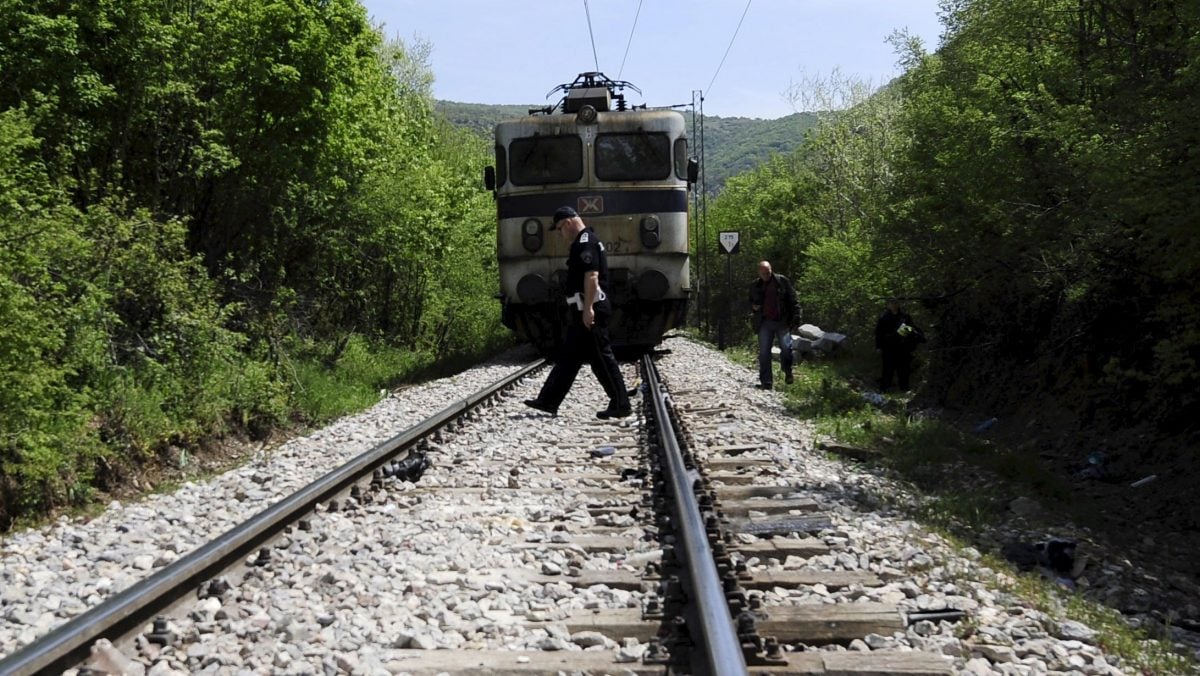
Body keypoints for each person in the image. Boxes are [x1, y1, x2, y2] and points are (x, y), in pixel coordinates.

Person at [525, 206, 632, 419]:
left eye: (558, 229)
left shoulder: (586, 242)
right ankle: (548, 401)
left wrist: (589, 309)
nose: (560, 234)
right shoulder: (584, 241)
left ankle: (621, 403)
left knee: (601, 358)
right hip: (582, 308)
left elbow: (591, 276)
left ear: (567, 223)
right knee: (569, 357)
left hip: (588, 307)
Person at [748, 260, 801, 390]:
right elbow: (748, 301)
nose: (766, 275)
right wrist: (753, 307)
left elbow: (793, 300)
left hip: (782, 321)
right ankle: (766, 382)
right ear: (759, 273)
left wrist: (796, 317)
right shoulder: (755, 285)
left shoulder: (782, 281)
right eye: (763, 274)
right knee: (764, 353)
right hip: (764, 322)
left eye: (768, 273)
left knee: (786, 349)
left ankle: (787, 371)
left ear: (771, 270)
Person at [874, 297, 925, 391]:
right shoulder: (883, 318)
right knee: (888, 368)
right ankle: (885, 388)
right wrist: (879, 346)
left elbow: (911, 328)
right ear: (888, 305)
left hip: (903, 346)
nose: (893, 305)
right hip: (888, 347)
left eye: (895, 303)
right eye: (891, 303)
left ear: (898, 304)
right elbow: (879, 333)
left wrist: (904, 334)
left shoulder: (905, 317)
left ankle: (904, 388)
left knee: (904, 369)